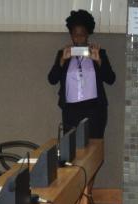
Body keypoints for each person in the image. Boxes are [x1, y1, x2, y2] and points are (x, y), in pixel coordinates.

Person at [47, 9, 116, 139]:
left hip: (94, 110)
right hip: (70, 111)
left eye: (82, 34)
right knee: (71, 147)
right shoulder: (63, 54)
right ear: (71, 35)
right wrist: (62, 61)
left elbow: (111, 79)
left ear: (88, 34)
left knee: (94, 147)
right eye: (75, 34)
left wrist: (99, 61)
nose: (78, 38)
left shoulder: (99, 53)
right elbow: (52, 79)